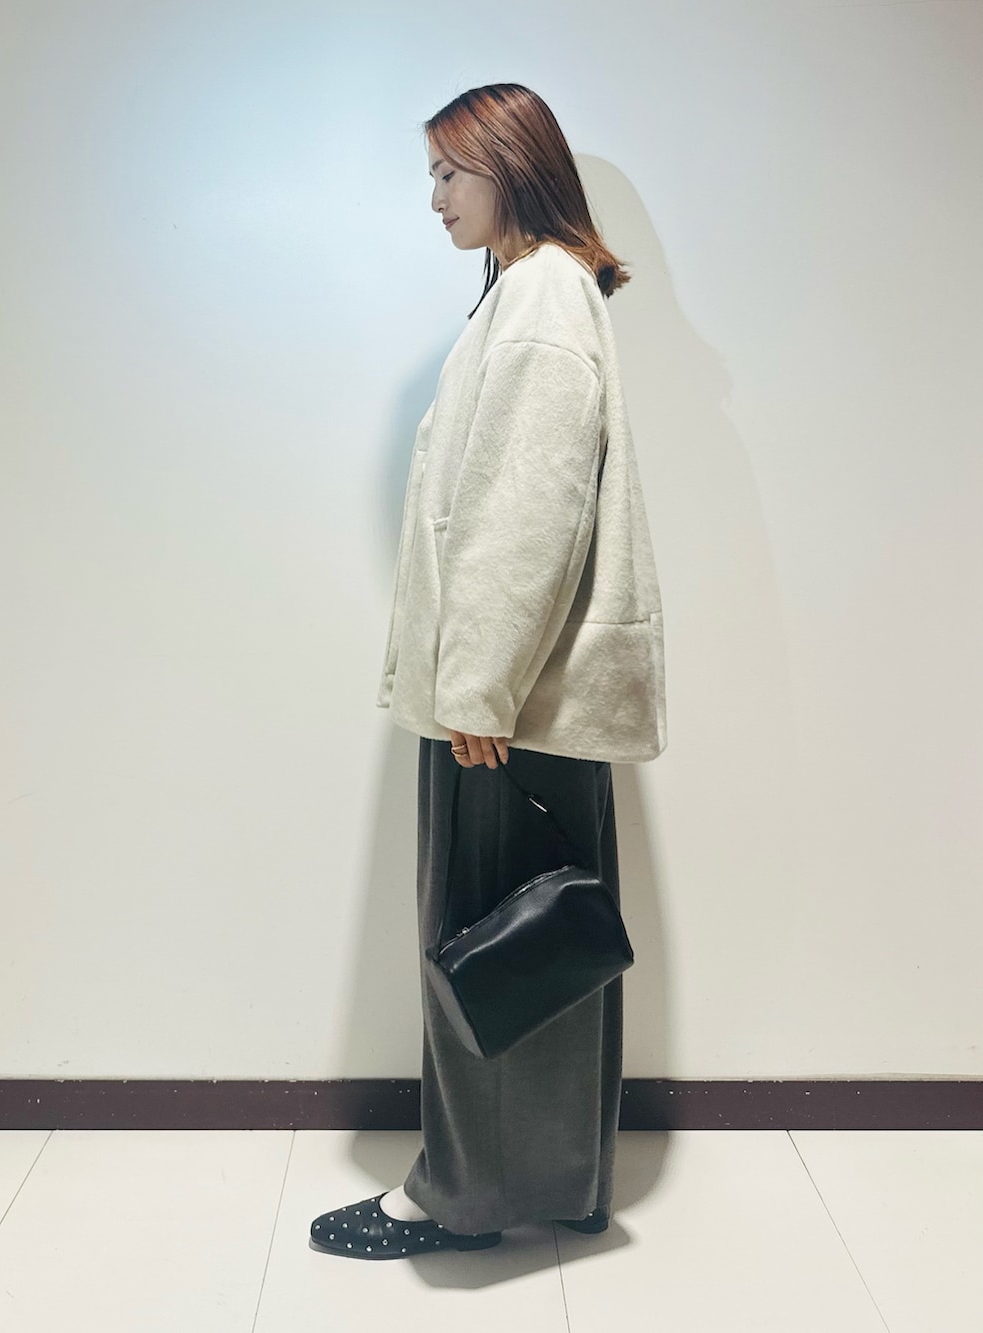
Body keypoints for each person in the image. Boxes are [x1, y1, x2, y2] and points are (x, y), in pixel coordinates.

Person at [310, 82, 666, 1260]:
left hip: (501, 707)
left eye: (448, 173)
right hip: (525, 703)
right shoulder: (539, 291)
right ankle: (557, 1184)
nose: (434, 198)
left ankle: (457, 1201)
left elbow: (527, 511)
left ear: (511, 166)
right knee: (538, 953)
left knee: (486, 954)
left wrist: (477, 686)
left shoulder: (538, 298)